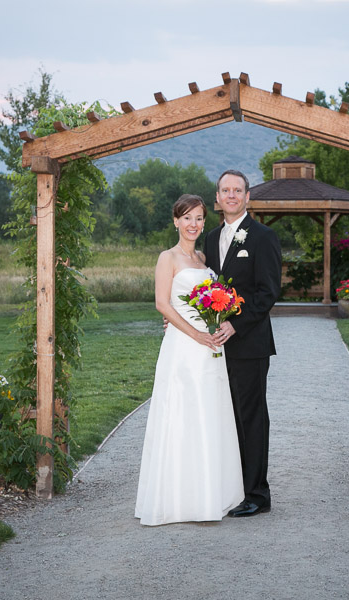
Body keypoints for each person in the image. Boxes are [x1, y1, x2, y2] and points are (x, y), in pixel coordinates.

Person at [135, 194, 244, 526]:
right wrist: (195, 334)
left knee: (208, 414)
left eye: (198, 218)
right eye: (187, 218)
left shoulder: (203, 258)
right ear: (176, 221)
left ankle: (208, 496)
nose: (193, 224)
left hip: (210, 347)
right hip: (184, 347)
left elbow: (212, 299)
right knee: (182, 413)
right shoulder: (167, 258)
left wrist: (217, 322)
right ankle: (177, 500)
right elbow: (162, 304)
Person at [206, 170, 282, 517]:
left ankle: (257, 494)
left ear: (248, 196)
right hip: (215, 346)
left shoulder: (263, 237)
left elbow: (268, 293)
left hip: (250, 344)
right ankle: (233, 488)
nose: (232, 195)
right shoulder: (210, 239)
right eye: (226, 190)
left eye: (238, 190)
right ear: (217, 198)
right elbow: (204, 290)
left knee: (251, 418)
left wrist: (235, 325)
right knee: (226, 416)